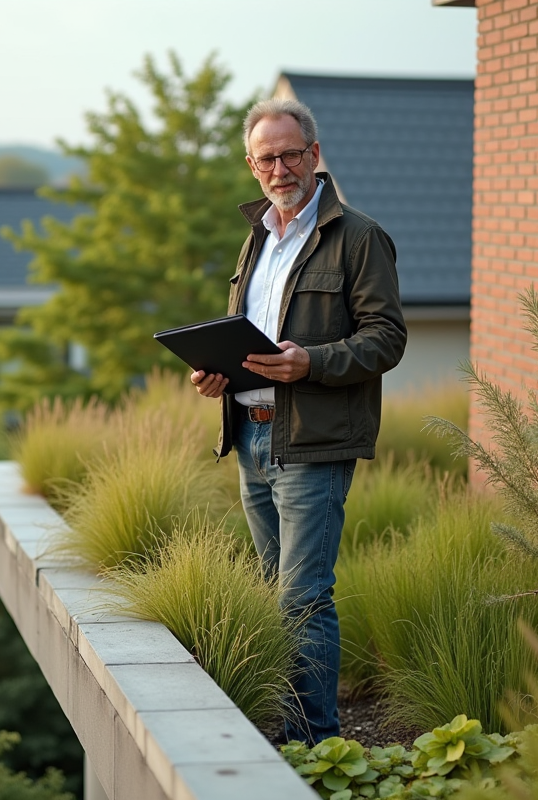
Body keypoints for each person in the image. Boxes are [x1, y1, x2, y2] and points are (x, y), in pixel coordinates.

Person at [191, 98, 406, 745]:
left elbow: (386, 339)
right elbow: (250, 339)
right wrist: (216, 374)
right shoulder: (255, 236)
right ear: (251, 166)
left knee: (303, 598)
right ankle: (286, 733)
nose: (279, 168)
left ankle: (317, 745)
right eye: (266, 159)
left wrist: (309, 362)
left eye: (290, 154)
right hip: (253, 435)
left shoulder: (359, 238)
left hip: (313, 445)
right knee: (272, 596)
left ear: (313, 155)